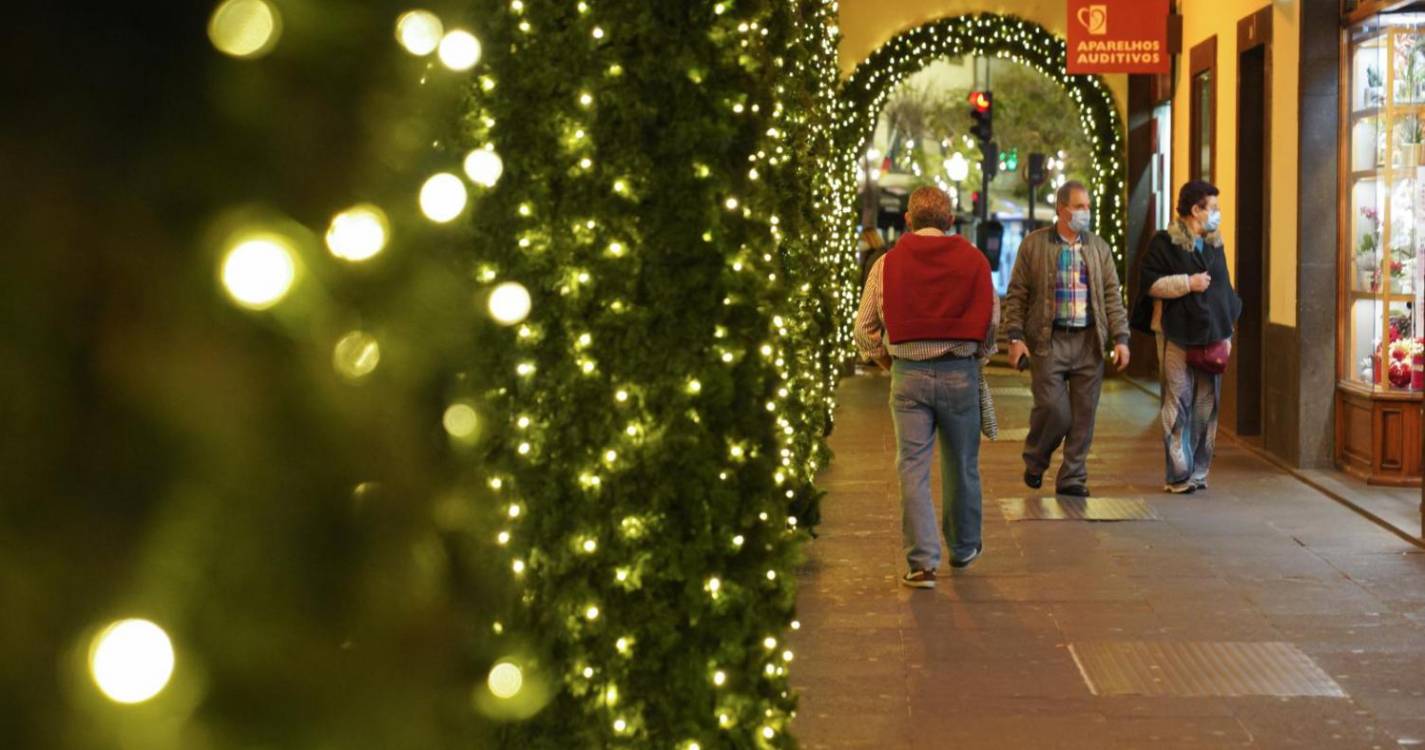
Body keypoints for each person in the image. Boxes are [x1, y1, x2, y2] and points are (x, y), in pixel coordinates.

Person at [854, 186, 997, 589]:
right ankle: (964, 546)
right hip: (960, 374)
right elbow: (990, 326)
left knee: (912, 467)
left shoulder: (886, 265)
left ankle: (922, 563)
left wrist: (886, 360)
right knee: (962, 463)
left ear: (908, 220)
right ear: (951, 221)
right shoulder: (975, 262)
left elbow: (863, 331)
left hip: (907, 375)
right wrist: (977, 358)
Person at [1002, 181, 1131, 497]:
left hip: (1089, 340)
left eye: (1088, 206)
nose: (1085, 212)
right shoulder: (1034, 245)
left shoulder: (1098, 248)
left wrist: (1121, 337)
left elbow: (1112, 295)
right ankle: (1036, 459)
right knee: (1055, 411)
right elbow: (1017, 293)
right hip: (1049, 341)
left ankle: (1073, 477)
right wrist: (1015, 337)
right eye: (1079, 206)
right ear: (1061, 209)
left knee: (1084, 414)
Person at [1131, 180, 1242, 494]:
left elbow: (1224, 290)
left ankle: (1199, 471)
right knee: (1177, 402)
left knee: (1207, 405)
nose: (1217, 215)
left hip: (1213, 337)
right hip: (1175, 335)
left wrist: (1227, 331)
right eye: (1214, 208)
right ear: (1196, 210)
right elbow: (1150, 284)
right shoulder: (1164, 243)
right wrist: (1187, 282)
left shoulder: (1214, 244)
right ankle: (1178, 473)